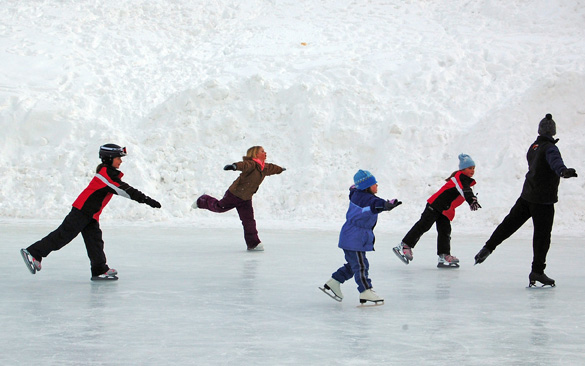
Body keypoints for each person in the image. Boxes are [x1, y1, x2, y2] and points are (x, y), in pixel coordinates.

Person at [20, 144, 162, 281]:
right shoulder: (106, 176)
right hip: (82, 211)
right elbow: (125, 190)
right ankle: (33, 253)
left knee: (95, 242)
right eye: (118, 158)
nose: (120, 161)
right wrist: (147, 200)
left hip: (91, 214)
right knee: (63, 235)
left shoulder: (108, 174)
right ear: (109, 158)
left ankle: (99, 270)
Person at [474, 114, 577, 287]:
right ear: (553, 131)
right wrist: (563, 171)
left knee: (508, 224)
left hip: (527, 196)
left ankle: (488, 247)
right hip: (542, 201)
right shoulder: (550, 148)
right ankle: (537, 271)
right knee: (542, 238)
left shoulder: (534, 146)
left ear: (540, 130)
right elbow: (555, 162)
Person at [320, 170, 401, 305]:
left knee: (355, 265)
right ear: (367, 187)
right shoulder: (365, 199)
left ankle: (334, 282)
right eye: (374, 184)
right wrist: (386, 205)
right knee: (361, 265)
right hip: (354, 238)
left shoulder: (357, 194)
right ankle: (365, 290)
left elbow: (354, 190)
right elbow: (375, 204)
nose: (377, 186)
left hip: (352, 236)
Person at [393, 154, 481, 268]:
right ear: (463, 169)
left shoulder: (465, 180)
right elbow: (465, 190)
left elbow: (465, 190)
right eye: (470, 168)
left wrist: (472, 199)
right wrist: (471, 199)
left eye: (473, 168)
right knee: (424, 225)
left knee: (445, 231)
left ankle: (444, 255)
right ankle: (404, 246)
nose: (472, 170)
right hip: (435, 205)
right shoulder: (459, 178)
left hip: (445, 210)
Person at [194, 146, 285, 251]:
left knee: (249, 221)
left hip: (246, 198)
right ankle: (202, 200)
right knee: (219, 207)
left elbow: (273, 168)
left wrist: (280, 169)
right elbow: (244, 165)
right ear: (255, 154)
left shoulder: (264, 167)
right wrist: (234, 166)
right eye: (262, 151)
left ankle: (253, 244)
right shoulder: (251, 164)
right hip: (235, 194)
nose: (265, 152)